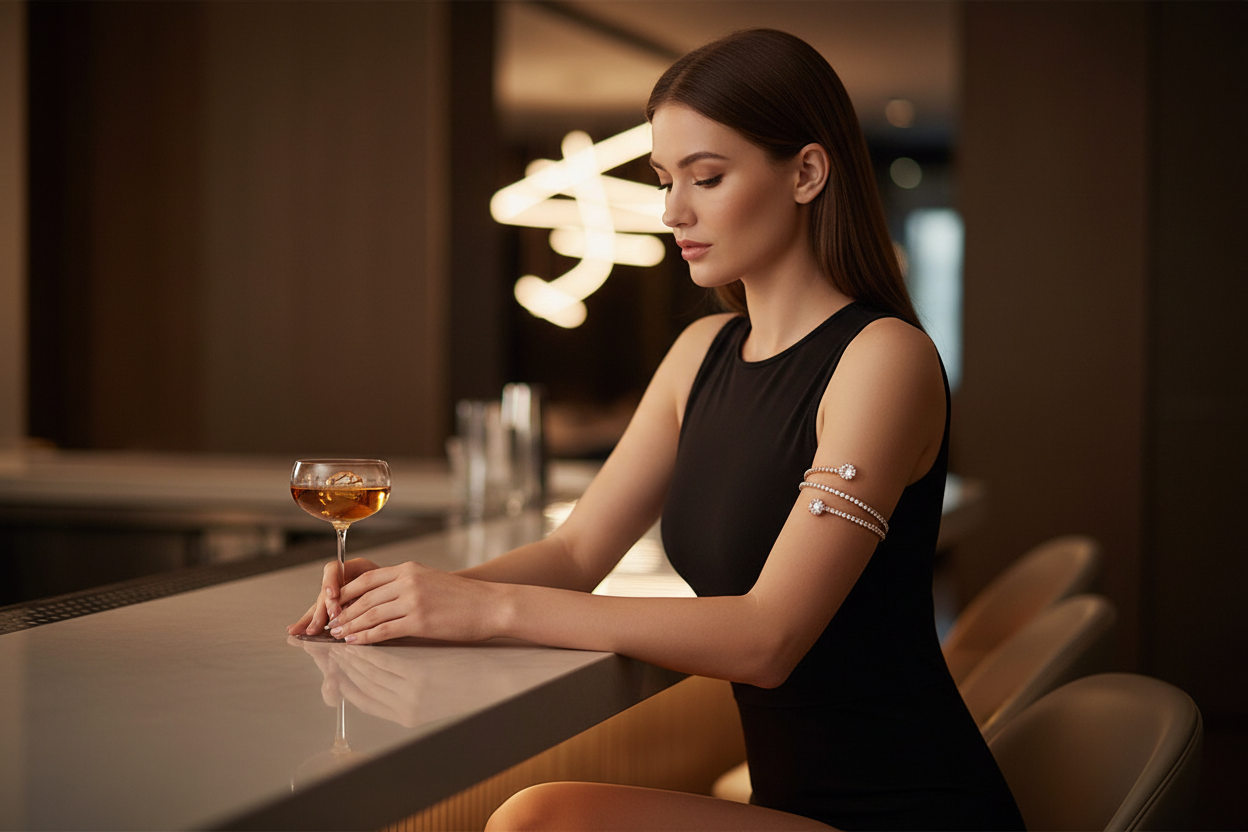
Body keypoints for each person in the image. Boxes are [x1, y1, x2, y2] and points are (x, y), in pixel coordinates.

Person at [288, 28, 1023, 832]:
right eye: (665, 179)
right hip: (788, 804)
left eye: (707, 177)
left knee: (541, 821)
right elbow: (576, 554)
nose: (674, 211)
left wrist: (489, 610)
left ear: (807, 173)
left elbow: (767, 637)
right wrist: (418, 600)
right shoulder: (700, 352)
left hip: (907, 811)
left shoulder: (884, 359)